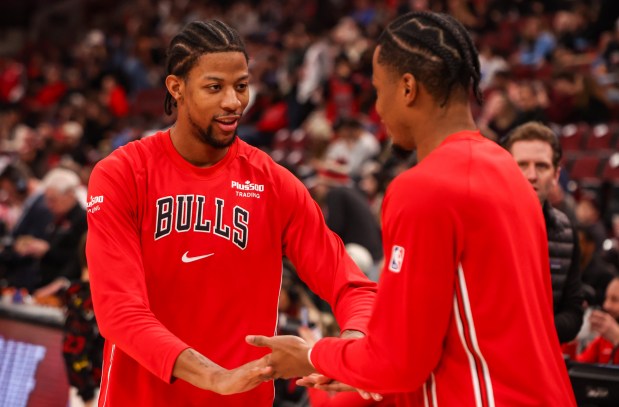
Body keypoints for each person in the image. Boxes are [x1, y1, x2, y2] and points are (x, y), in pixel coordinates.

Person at [247, 11, 576, 406]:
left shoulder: (423, 187)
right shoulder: (507, 168)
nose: (379, 109)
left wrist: (311, 354)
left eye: (379, 89)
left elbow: (400, 363)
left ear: (407, 88)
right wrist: (352, 369)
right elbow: (464, 332)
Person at [85, 20, 377, 407]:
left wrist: (354, 344)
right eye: (214, 87)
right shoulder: (122, 174)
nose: (233, 102)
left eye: (241, 86)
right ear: (177, 88)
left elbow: (352, 286)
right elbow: (118, 311)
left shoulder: (274, 184)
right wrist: (213, 377)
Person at [503, 121, 584, 344]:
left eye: (541, 166)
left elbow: (573, 312)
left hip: (540, 359)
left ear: (556, 175)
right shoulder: (479, 226)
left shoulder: (566, 230)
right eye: (522, 164)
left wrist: (531, 331)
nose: (531, 175)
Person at [576, 276, 619, 364]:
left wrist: (617, 340)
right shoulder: (604, 339)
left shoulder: (611, 335)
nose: (606, 305)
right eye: (606, 298)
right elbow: (578, 368)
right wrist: (571, 339)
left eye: (614, 300)